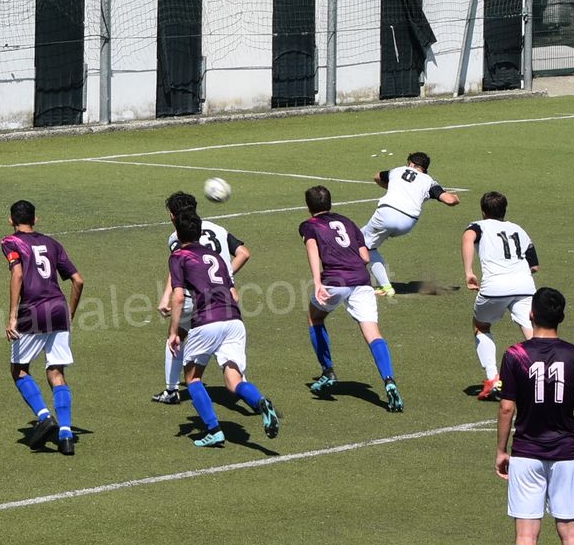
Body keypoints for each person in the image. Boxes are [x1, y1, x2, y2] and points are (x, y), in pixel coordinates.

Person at [496, 287, 574, 545]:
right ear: (561, 317)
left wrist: (501, 450)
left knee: (526, 536)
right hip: (566, 453)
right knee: (572, 536)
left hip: (525, 453)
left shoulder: (515, 355)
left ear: (532, 314)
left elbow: (506, 409)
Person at [167, 207, 279, 447]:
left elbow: (177, 297)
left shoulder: (179, 256)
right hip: (234, 320)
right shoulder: (217, 257)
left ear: (178, 233)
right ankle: (259, 402)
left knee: (193, 379)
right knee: (233, 381)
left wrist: (174, 332)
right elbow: (234, 294)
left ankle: (214, 430)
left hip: (207, 321)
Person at [299, 185, 404, 412]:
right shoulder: (348, 222)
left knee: (315, 318)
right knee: (373, 333)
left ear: (309, 207)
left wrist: (317, 282)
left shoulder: (309, 225)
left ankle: (328, 371)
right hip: (361, 280)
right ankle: (389, 381)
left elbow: (312, 250)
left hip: (334, 282)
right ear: (330, 202)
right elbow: (365, 256)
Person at [2, 200, 85, 456]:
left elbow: (17, 275)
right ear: (36, 219)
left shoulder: (11, 241)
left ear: (10, 220)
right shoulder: (52, 243)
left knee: (19, 369)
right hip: (59, 309)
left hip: (33, 311)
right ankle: (66, 434)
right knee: (56, 371)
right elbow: (78, 280)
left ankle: (44, 416)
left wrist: (13, 316)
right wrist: (69, 311)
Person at [152, 191, 250, 405]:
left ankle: (171, 390)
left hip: (193, 297)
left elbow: (179, 264)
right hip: (225, 296)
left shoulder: (177, 236)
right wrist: (227, 278)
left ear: (172, 215)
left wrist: (166, 296)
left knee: (176, 336)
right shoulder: (219, 229)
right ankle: (244, 388)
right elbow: (244, 253)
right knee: (229, 342)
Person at [463, 192, 540, 400]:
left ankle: (492, 378)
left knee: (481, 325)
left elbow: (468, 238)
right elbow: (534, 265)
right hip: (524, 285)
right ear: (505, 210)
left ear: (483, 211)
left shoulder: (478, 226)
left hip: (494, 287)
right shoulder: (519, 229)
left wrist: (469, 271)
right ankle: (542, 376)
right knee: (531, 330)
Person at [361, 151, 460, 297]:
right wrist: (456, 198)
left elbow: (376, 176)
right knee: (370, 246)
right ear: (424, 168)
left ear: (411, 164)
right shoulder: (430, 181)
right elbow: (450, 200)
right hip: (407, 222)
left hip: (386, 214)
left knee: (360, 243)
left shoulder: (398, 170)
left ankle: (378, 284)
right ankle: (378, 283)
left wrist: (394, 186)